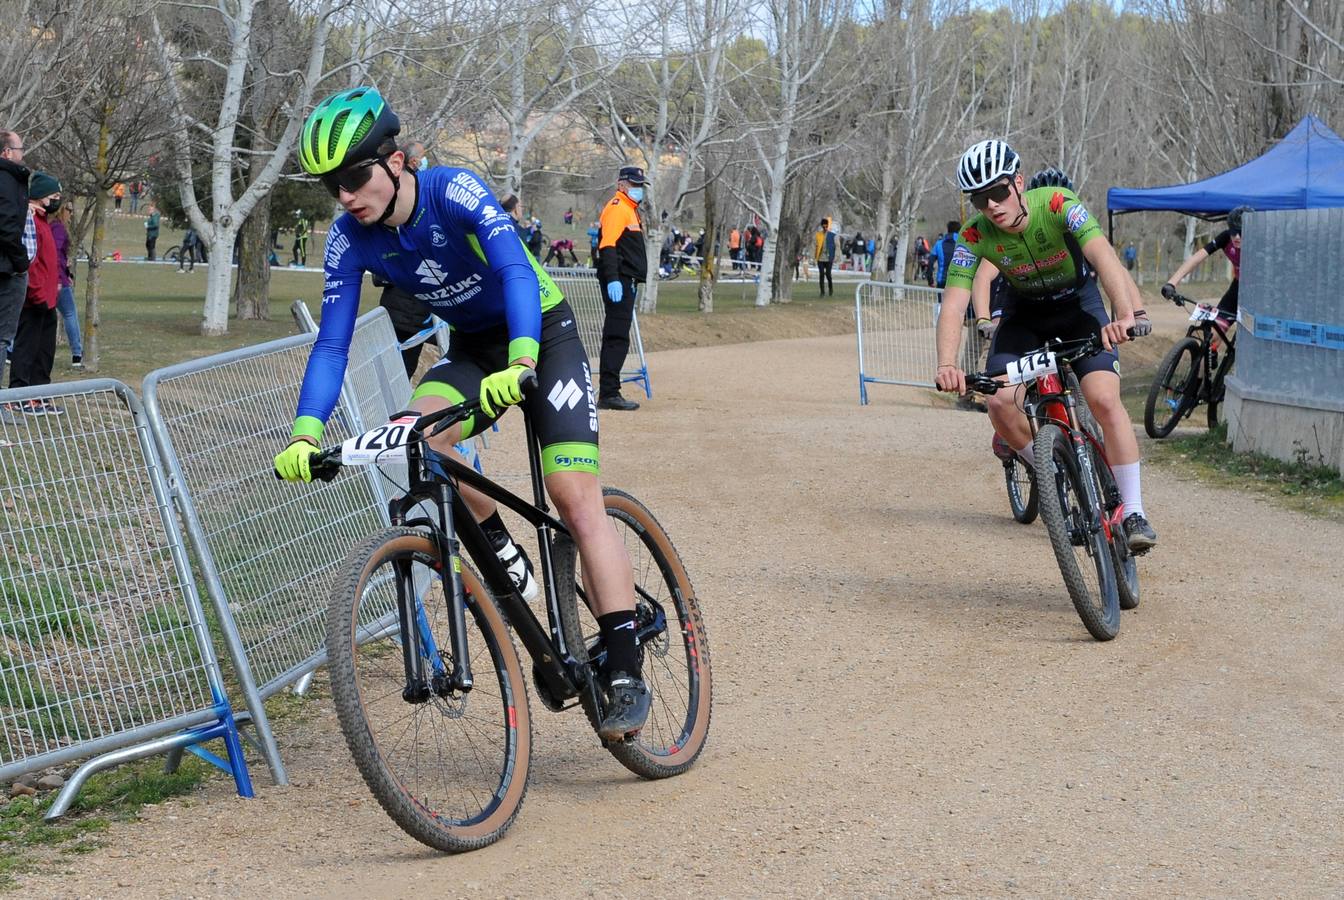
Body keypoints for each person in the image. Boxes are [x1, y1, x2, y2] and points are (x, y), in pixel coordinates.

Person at [274, 87, 651, 738]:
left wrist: (525, 361)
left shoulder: (455, 192)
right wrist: (307, 431)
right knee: (418, 434)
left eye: (354, 177)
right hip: (476, 348)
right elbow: (332, 343)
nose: (343, 195)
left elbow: (513, 272)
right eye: (331, 184)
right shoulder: (350, 239)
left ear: (395, 163)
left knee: (572, 495)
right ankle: (500, 544)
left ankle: (624, 665)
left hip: (543, 335)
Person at [934, 138, 1156, 552]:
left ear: (1018, 183)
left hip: (1078, 306)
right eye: (980, 199)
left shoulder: (1056, 203)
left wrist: (1126, 314)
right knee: (999, 402)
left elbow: (1104, 257)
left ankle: (1133, 510)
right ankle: (1052, 479)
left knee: (1104, 400)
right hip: (1024, 316)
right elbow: (954, 301)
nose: (992, 205)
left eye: (998, 192)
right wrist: (947, 362)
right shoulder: (973, 236)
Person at [594, 164, 648, 412]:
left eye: (640, 186)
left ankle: (610, 390)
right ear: (621, 185)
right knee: (616, 336)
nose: (638, 189)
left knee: (618, 335)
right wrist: (614, 278)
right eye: (634, 185)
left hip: (626, 279)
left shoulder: (630, 209)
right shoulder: (618, 208)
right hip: (620, 279)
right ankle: (609, 392)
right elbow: (608, 245)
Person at [9, 172, 62, 413]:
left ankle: (41, 395)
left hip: (49, 299)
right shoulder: (31, 221)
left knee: (44, 351)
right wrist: (38, 293)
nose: (57, 200)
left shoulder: (45, 223)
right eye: (54, 196)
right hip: (34, 299)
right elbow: (31, 261)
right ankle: (20, 395)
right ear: (41, 197)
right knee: (26, 348)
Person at [1161, 206, 1251, 321]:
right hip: (1237, 286)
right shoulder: (1225, 238)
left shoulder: (1259, 243)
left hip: (1256, 291)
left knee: (1244, 335)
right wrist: (1172, 283)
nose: (1237, 237)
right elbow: (1196, 258)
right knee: (1214, 332)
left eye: (1241, 232)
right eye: (1233, 232)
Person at [0, 130, 31, 408]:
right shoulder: (7, 180)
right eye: (20, 149)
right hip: (7, 269)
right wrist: (21, 264)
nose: (23, 154)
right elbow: (7, 227)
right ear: (7, 153)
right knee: (2, 337)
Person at [49, 200, 81, 367]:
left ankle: (11, 349)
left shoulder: (52, 226)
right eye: (69, 209)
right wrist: (60, 279)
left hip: (57, 276)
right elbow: (53, 254)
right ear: (62, 210)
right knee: (70, 314)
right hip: (57, 280)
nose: (71, 213)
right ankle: (77, 354)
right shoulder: (59, 228)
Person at [813, 218, 835, 296]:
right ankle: (822, 292)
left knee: (828, 274)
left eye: (826, 226)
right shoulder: (818, 235)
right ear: (822, 226)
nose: (825, 228)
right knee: (821, 274)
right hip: (820, 258)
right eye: (824, 226)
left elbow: (836, 247)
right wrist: (815, 256)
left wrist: (835, 257)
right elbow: (815, 246)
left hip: (829, 258)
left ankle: (830, 288)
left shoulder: (832, 235)